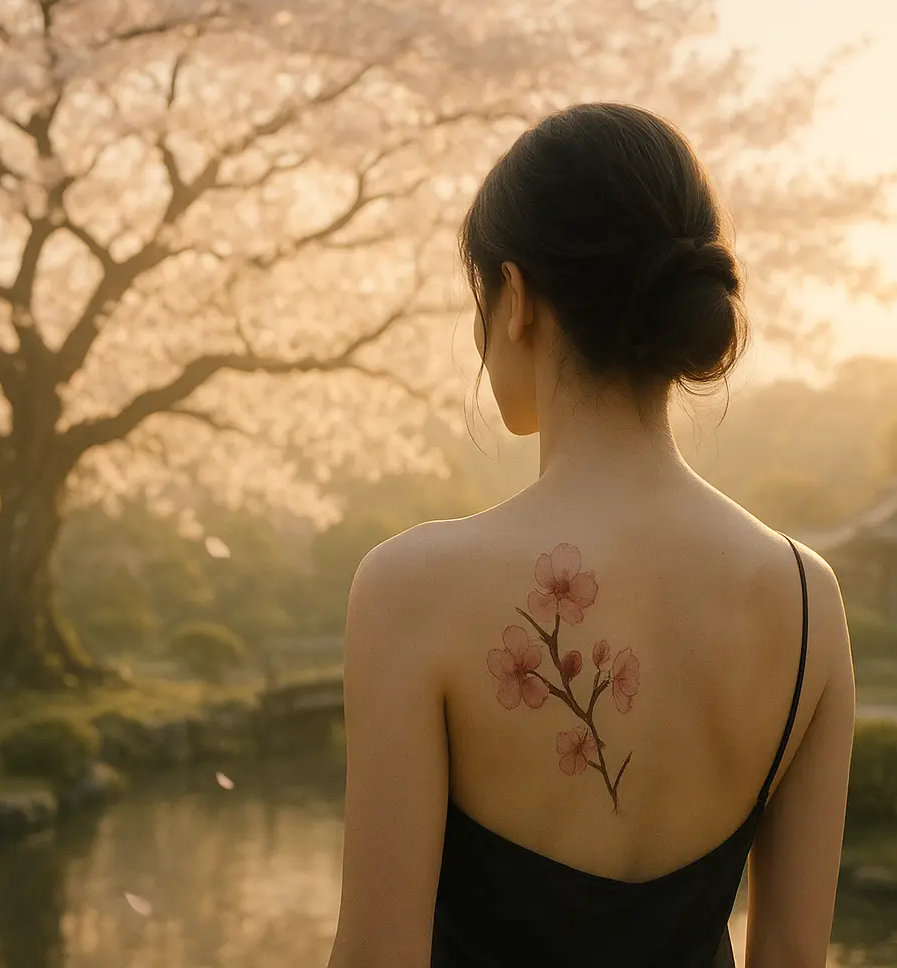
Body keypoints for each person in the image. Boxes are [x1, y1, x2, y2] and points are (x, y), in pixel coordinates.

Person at [326, 103, 854, 968]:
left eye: (480, 298)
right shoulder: (808, 599)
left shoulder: (412, 587)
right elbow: (794, 957)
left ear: (518, 299)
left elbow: (379, 957)